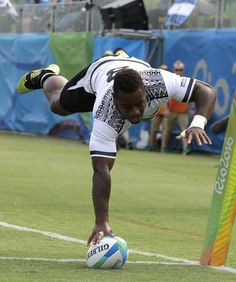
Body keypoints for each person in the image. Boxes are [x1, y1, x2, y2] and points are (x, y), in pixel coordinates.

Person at [16, 49, 216, 246]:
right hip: (98, 74)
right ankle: (45, 76)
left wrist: (198, 122)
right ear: (115, 100)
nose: (135, 111)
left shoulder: (160, 82)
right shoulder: (105, 114)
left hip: (135, 68)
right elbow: (101, 170)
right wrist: (101, 222)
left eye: (139, 103)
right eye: (127, 107)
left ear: (146, 92)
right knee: (57, 105)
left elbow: (205, 90)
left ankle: (121, 59)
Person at [161, 60, 191, 154]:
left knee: (184, 130)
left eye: (180, 69)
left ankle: (185, 149)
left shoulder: (187, 81)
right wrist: (165, 109)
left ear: (183, 70)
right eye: (176, 69)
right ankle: (163, 148)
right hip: (171, 111)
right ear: (174, 70)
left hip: (183, 111)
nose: (178, 71)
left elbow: (190, 96)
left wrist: (190, 109)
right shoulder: (171, 80)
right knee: (166, 130)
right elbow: (166, 97)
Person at [149, 64, 168, 151]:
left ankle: (163, 148)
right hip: (156, 110)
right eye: (162, 69)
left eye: (166, 69)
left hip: (166, 111)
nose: (164, 71)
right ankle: (152, 146)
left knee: (165, 130)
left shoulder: (169, 81)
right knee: (154, 130)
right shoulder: (153, 82)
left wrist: (168, 109)